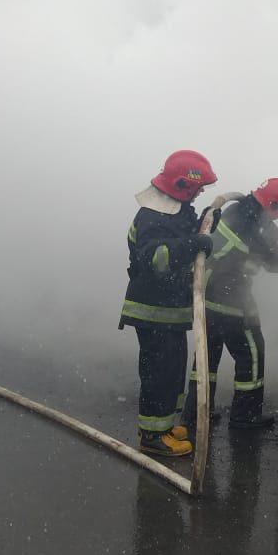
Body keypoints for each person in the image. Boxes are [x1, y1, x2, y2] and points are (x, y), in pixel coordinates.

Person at [120, 150, 218, 456]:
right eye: (197, 187)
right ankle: (152, 436)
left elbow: (183, 237)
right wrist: (193, 244)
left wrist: (206, 223)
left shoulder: (175, 209)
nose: (200, 193)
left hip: (170, 311)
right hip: (153, 311)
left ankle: (162, 425)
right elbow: (157, 259)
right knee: (158, 375)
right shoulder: (151, 215)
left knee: (173, 372)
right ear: (182, 185)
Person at [181, 178, 278, 430]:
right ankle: (245, 416)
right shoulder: (256, 226)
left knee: (206, 358)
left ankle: (197, 411)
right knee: (251, 353)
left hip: (205, 296)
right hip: (230, 300)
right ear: (271, 204)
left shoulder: (236, 209)